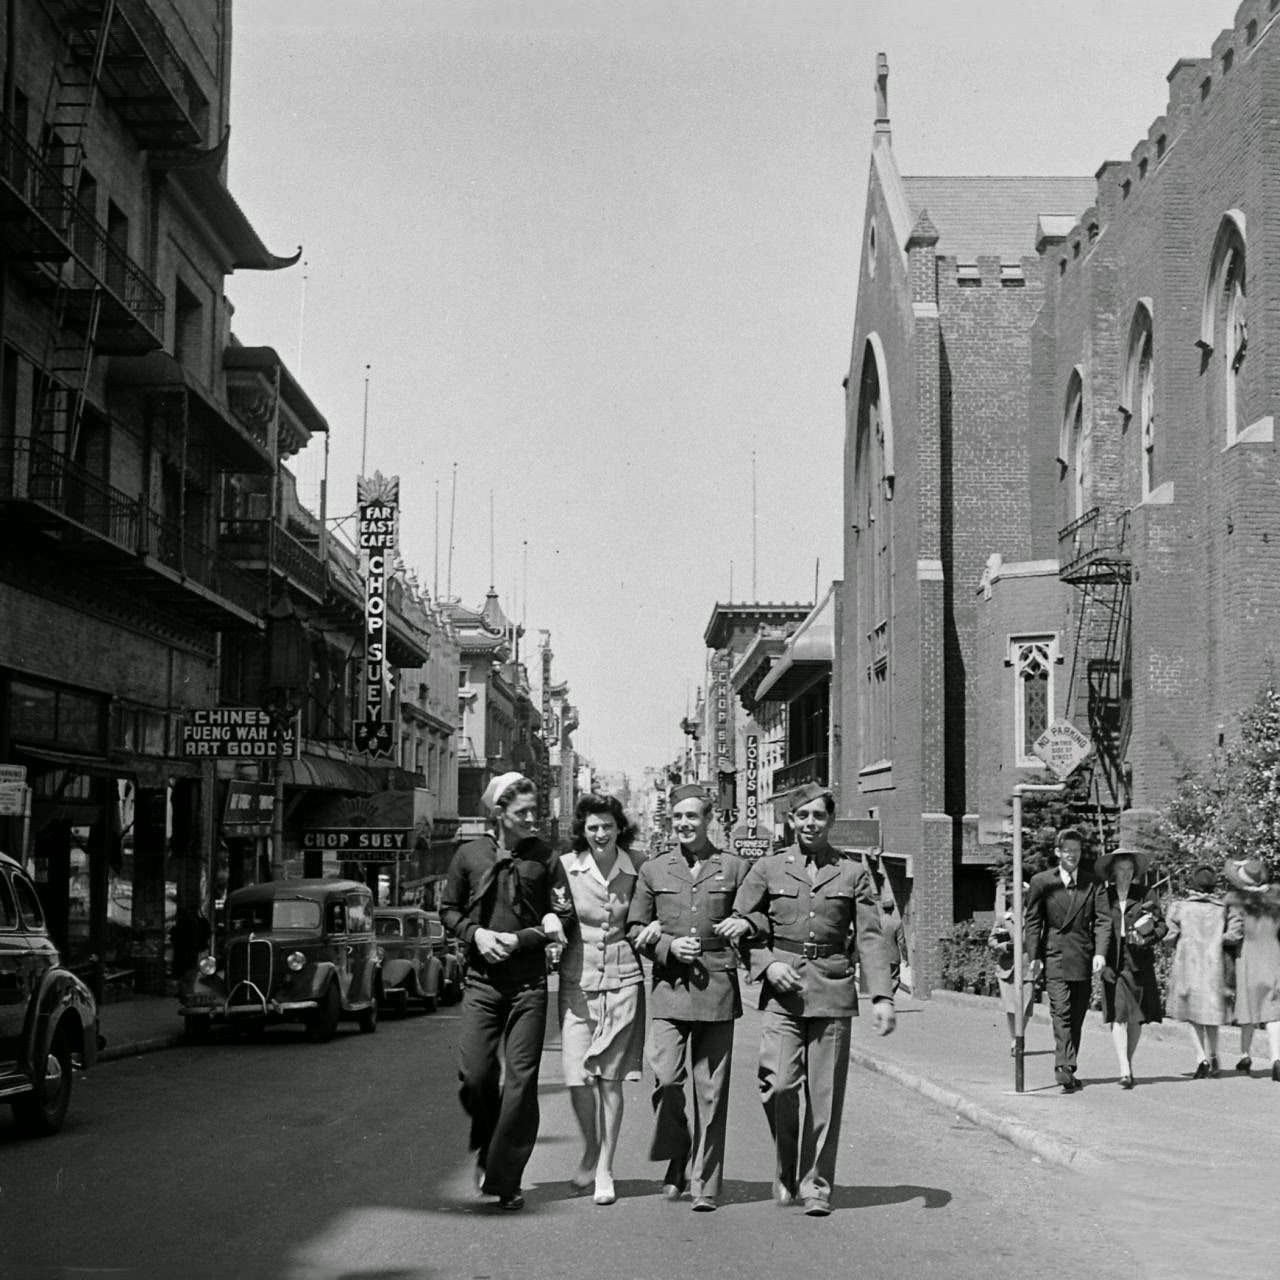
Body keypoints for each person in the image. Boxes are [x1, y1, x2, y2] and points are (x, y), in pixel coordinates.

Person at [731, 782, 896, 1217]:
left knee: (825, 1097)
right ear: (790, 820)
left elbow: (872, 937)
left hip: (834, 989)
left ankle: (816, 1184)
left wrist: (882, 995)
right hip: (783, 993)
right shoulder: (767, 868)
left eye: (818, 816)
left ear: (830, 821)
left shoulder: (852, 872)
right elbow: (742, 923)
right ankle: (787, 1167)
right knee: (779, 1085)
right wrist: (766, 964)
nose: (810, 823)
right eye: (802, 816)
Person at [440, 772, 573, 1211]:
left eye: (536, 810)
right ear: (499, 813)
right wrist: (476, 935)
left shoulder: (546, 858)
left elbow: (563, 917)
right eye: (523, 813)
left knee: (520, 1084)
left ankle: (505, 1178)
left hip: (529, 987)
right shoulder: (468, 854)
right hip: (481, 983)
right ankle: (486, 1139)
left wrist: (524, 939)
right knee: (476, 1076)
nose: (533, 819)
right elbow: (448, 909)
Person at [626, 782, 751, 1212]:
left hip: (716, 988)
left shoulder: (734, 868)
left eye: (692, 816)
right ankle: (679, 1154)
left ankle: (707, 1183)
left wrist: (745, 925)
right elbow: (634, 927)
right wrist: (665, 948)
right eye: (677, 817)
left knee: (712, 1091)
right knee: (666, 1079)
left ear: (708, 820)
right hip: (668, 988)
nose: (684, 824)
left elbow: (755, 915)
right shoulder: (653, 870)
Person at [556, 792, 646, 1206]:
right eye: (592, 826)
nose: (600, 833)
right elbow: (548, 910)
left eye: (607, 825)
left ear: (618, 827)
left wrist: (656, 928)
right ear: (583, 830)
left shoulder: (639, 866)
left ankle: (606, 1167)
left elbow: (658, 909)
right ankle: (591, 1146)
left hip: (625, 981)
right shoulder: (565, 868)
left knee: (610, 1082)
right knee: (577, 1079)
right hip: (577, 982)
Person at [1024, 826, 1111, 1092]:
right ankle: (1062, 1066)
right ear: (1057, 852)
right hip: (1054, 956)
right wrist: (1034, 955)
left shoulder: (1092, 882)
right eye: (1067, 851)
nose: (1072, 855)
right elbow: (1033, 920)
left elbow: (1103, 919)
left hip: (1083, 956)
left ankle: (1069, 1068)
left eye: (1076, 851)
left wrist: (1100, 952)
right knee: (1060, 1010)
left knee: (1077, 1015)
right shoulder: (1042, 882)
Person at [1094, 842, 1166, 1088]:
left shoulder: (1146, 894)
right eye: (1120, 869)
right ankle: (1123, 1068)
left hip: (1139, 961)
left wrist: (1146, 937)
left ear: (1134, 871)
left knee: (1135, 1017)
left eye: (1129, 869)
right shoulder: (1104, 895)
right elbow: (1096, 927)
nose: (1125, 873)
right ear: (1113, 871)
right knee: (1118, 1013)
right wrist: (1099, 958)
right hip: (1113, 961)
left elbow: (1161, 926)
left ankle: (1128, 1063)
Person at [1165, 863, 1243, 1077]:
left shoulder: (1181, 908)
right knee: (1211, 1015)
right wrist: (1217, 939)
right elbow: (1235, 935)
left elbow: (1169, 937)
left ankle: (1201, 1058)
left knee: (1192, 1016)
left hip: (1188, 967)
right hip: (1214, 967)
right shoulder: (1223, 909)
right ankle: (1214, 1053)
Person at [1223, 855, 1280, 1082]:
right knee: (1274, 1011)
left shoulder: (1239, 902)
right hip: (1275, 957)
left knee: (1248, 1009)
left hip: (1248, 958)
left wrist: (1217, 939)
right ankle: (1277, 1058)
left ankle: (1245, 1055)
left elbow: (1234, 933)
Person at [988, 901, 1035, 1055]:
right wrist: (1005, 945)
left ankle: (1019, 1036)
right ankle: (1015, 1040)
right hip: (1007, 968)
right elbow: (993, 940)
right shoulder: (1004, 918)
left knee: (1025, 1008)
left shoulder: (1032, 916)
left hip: (1027, 967)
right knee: (1011, 1008)